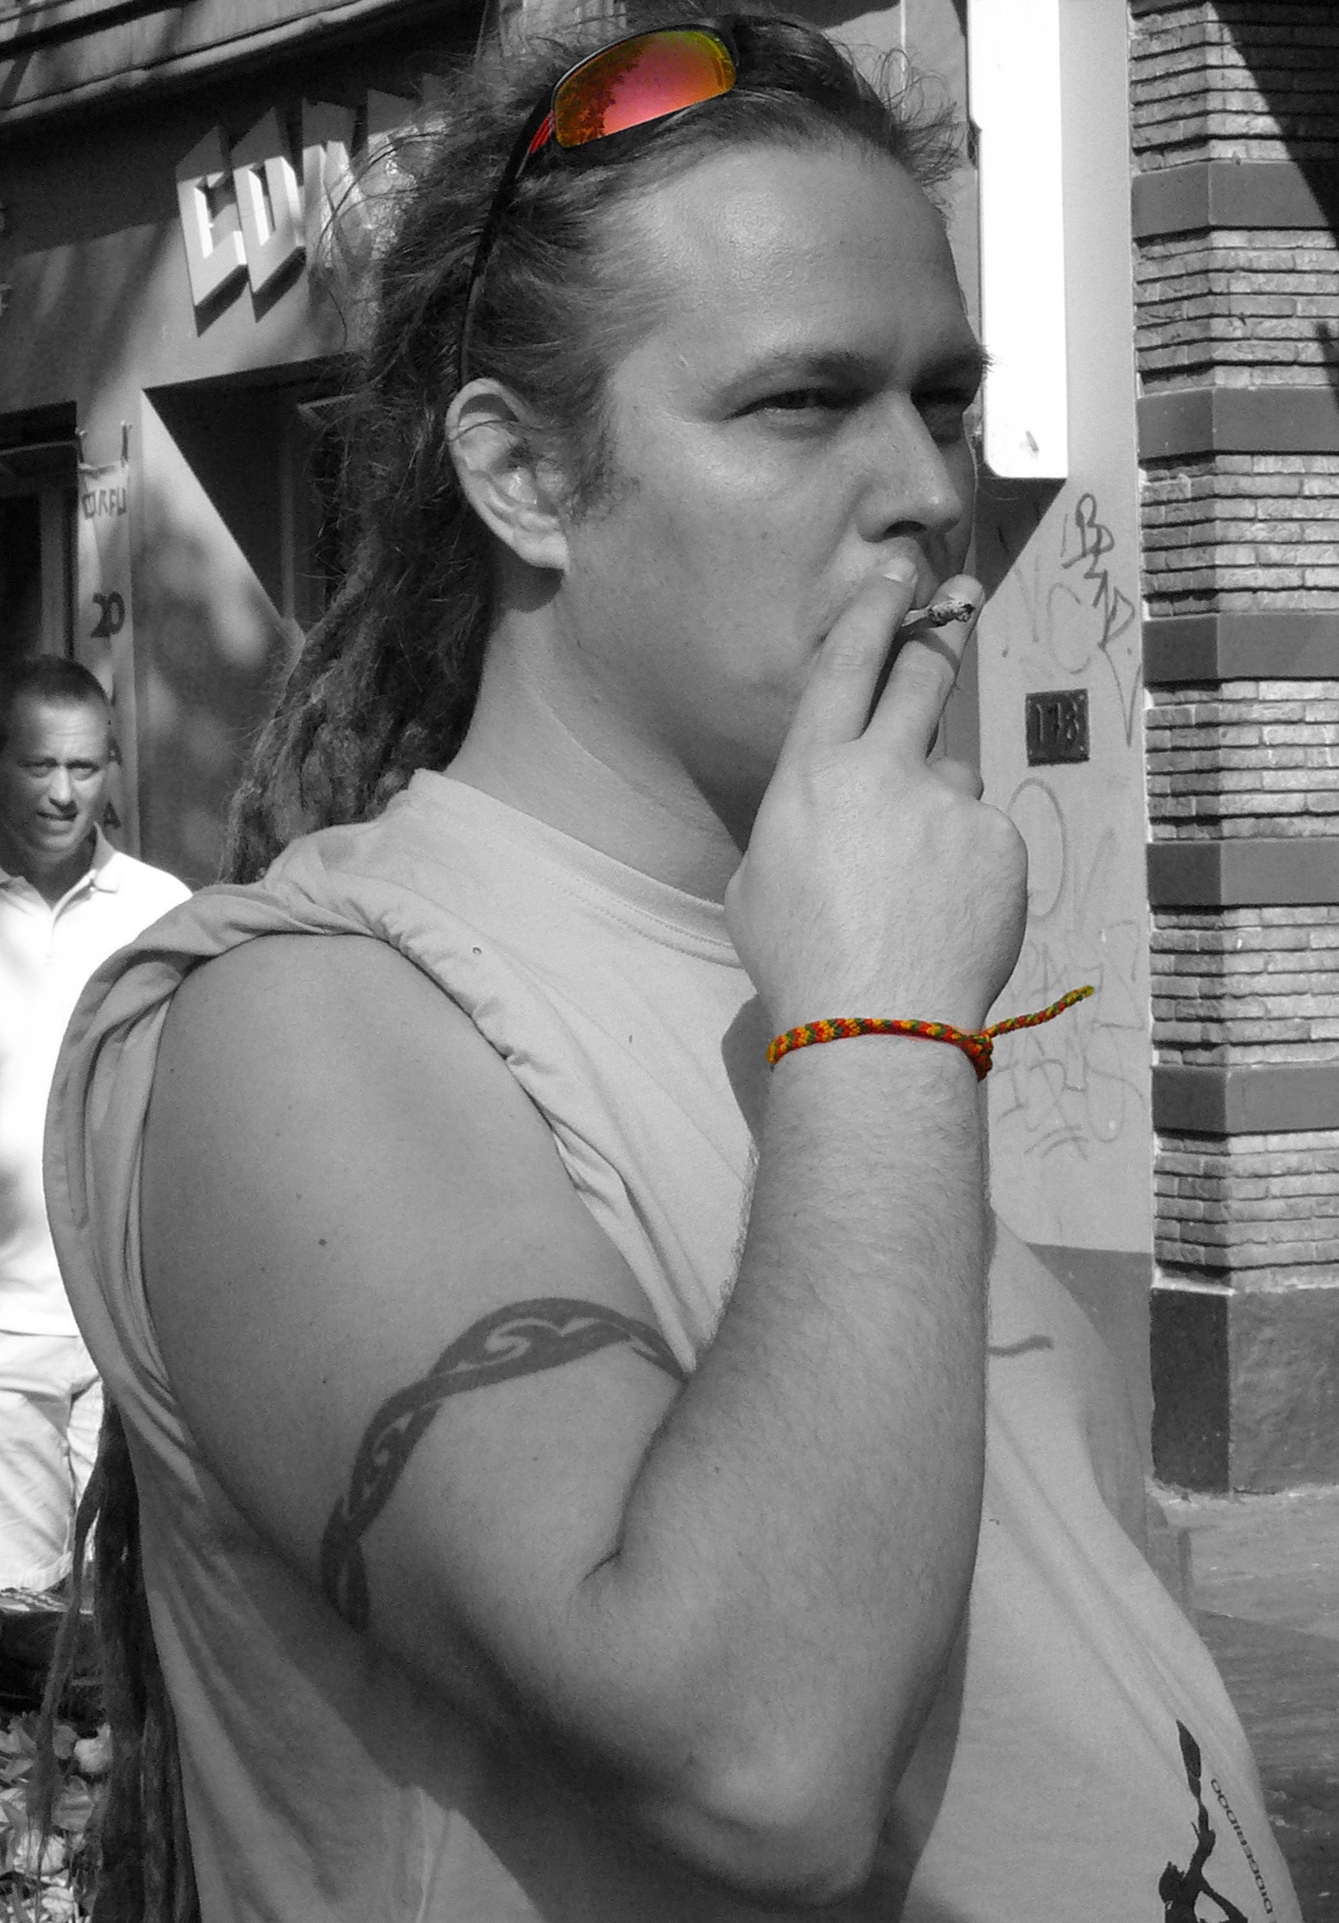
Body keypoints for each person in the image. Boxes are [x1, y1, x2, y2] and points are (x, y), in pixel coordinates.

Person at [43, 12, 1300, 1922]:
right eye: (800, 401)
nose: (922, 486)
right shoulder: (307, 1010)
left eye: (942, 398)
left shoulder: (823, 963)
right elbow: (750, 1751)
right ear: (522, 477)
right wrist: (880, 1026)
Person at [0, 656, 188, 1596]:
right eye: (40, 765)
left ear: (112, 768)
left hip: (121, 1328)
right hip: (3, 1345)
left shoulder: (162, 912)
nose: (63, 793)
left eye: (83, 766)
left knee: (126, 1606)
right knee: (19, 1618)